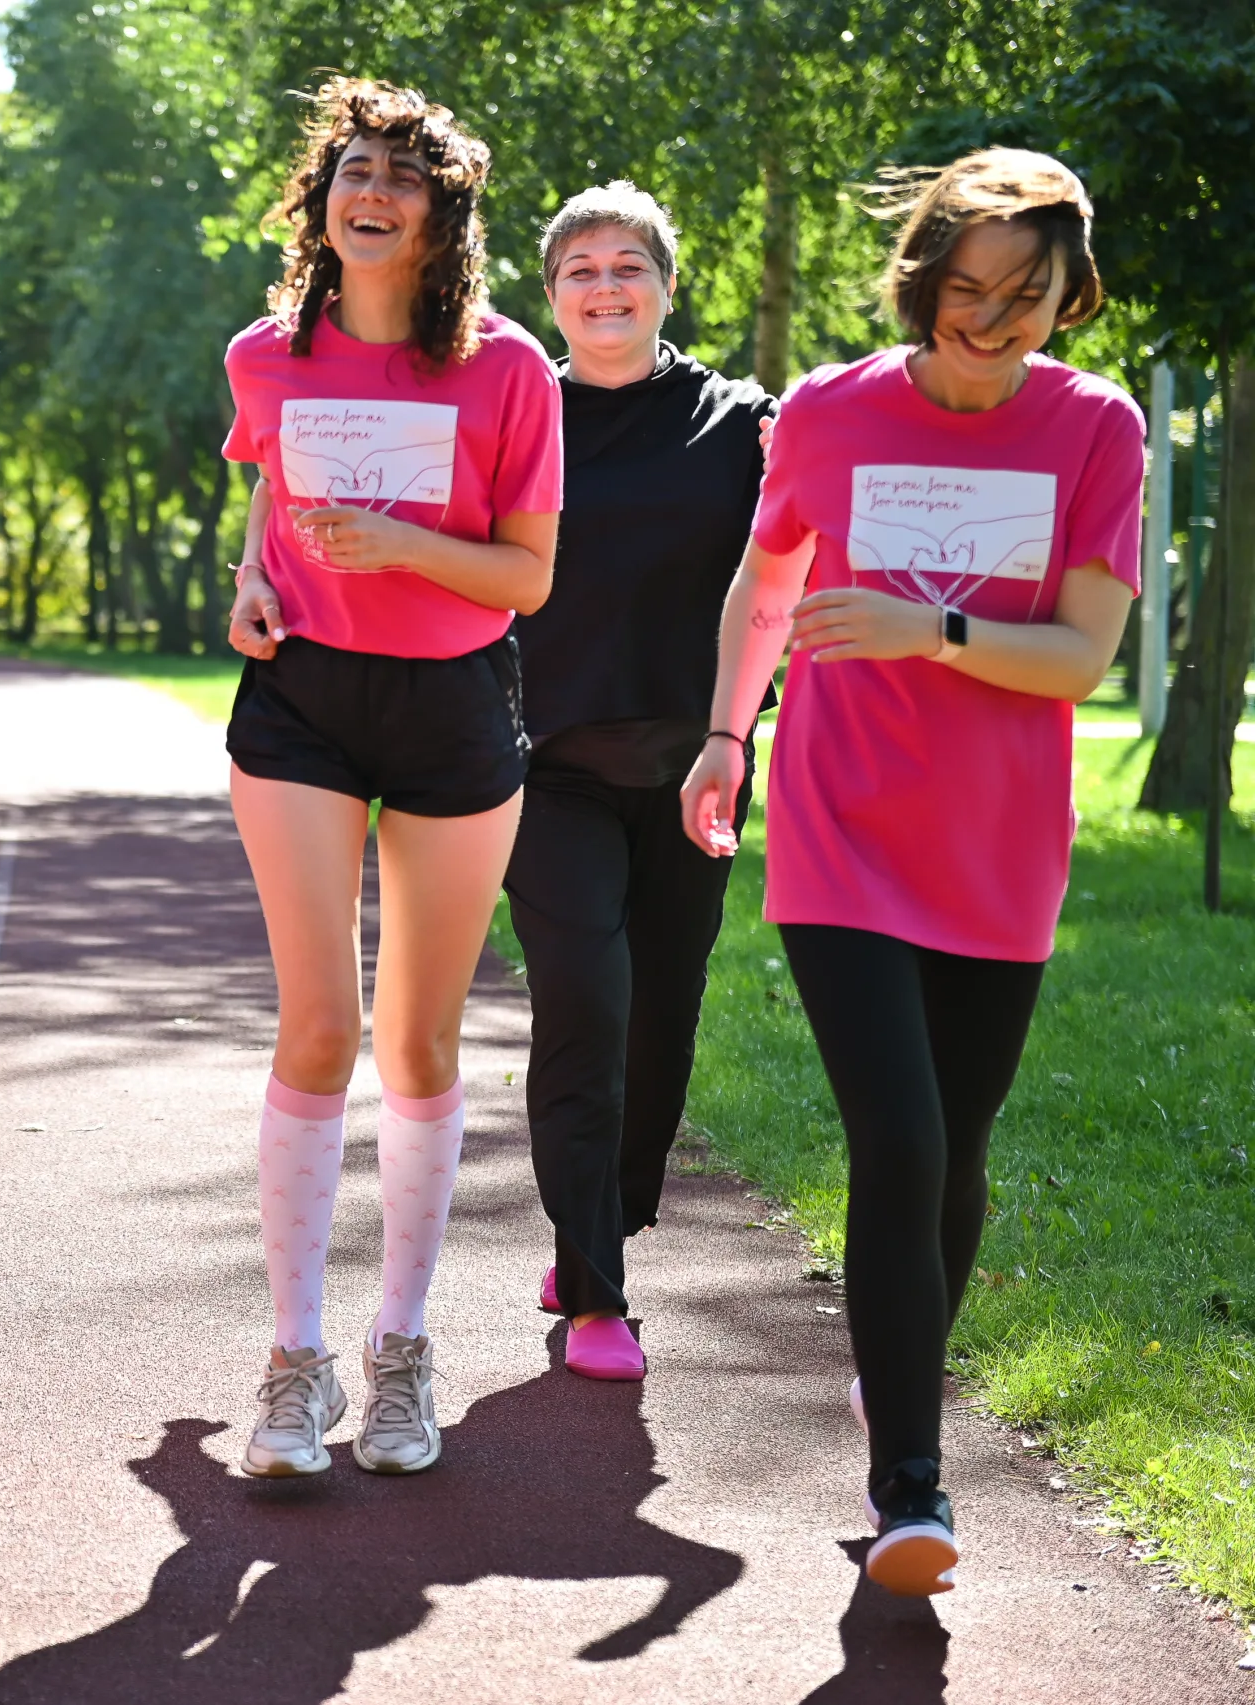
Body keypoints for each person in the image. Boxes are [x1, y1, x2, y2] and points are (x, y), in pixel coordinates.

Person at [678, 149, 1138, 1597]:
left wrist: (925, 627)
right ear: (924, 275)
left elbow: (1077, 655)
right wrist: (722, 738)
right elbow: (770, 580)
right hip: (841, 823)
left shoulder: (1095, 430)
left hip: (1001, 841)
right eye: (966, 286)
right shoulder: (828, 409)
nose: (990, 320)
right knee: (901, 1137)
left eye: (1025, 294)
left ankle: (901, 1373)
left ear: (1069, 294)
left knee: (962, 1148)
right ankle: (911, 1494)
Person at [221, 80, 560, 1477]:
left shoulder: (507, 369)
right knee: (318, 1026)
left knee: (418, 1043)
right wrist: (253, 575)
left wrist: (396, 540)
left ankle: (401, 1351)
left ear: (442, 217)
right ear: (324, 201)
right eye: (354, 169)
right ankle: (295, 1363)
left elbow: (527, 576)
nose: (376, 190)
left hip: (453, 706)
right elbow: (269, 488)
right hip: (300, 696)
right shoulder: (264, 352)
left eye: (406, 179)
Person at [504, 183, 774, 1381]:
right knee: (583, 1000)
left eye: (627, 266)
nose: (604, 287)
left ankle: (606, 1220)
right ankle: (595, 1286)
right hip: (543, 766)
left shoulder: (745, 420)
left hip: (695, 765)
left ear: (668, 282)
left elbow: (793, 561)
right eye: (579, 269)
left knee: (661, 1015)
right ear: (549, 293)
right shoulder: (518, 414)